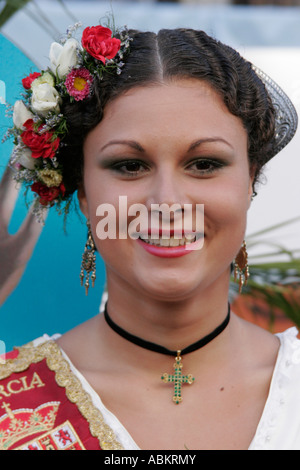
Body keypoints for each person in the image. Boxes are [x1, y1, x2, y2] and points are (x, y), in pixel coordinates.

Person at [0, 23, 299, 451]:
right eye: (128, 166)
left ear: (250, 179)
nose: (167, 201)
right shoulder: (8, 404)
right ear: (83, 190)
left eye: (204, 163)